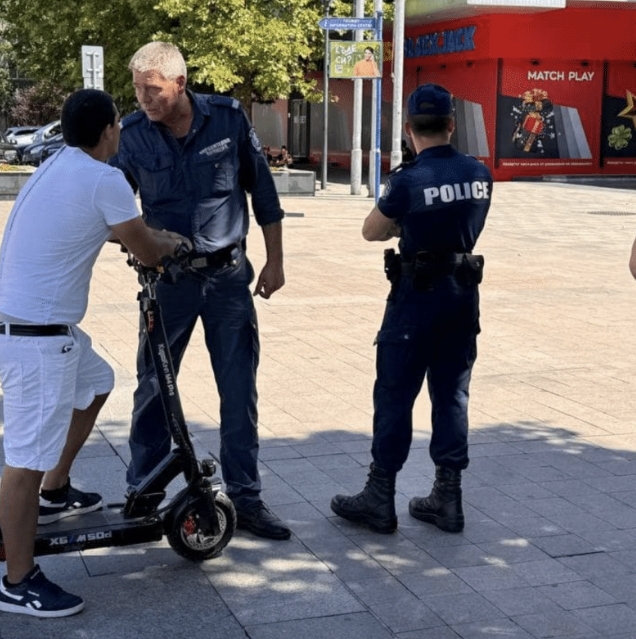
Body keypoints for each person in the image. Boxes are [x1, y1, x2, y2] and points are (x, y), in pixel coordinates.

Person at [0, 88, 188, 618]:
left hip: (31, 329)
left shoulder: (57, 165)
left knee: (97, 381)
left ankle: (56, 490)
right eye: (119, 125)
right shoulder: (105, 178)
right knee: (23, 460)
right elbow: (141, 243)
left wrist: (145, 237)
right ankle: (18, 581)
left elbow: (109, 231)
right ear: (110, 131)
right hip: (34, 342)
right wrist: (170, 243)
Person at [112, 41, 291, 541]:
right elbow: (107, 203)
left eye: (152, 89)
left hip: (229, 279)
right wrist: (134, 240)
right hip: (168, 283)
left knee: (238, 389)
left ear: (180, 84)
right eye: (137, 89)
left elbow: (263, 192)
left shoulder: (228, 119)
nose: (143, 99)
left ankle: (247, 497)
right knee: (152, 388)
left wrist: (275, 261)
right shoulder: (131, 136)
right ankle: (144, 493)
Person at [330, 84, 492, 534]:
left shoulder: (407, 179)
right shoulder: (480, 173)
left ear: (408, 128)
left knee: (396, 395)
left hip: (415, 299)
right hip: (461, 299)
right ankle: (449, 497)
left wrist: (406, 221)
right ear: (452, 124)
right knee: (452, 395)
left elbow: (371, 231)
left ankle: (380, 496)